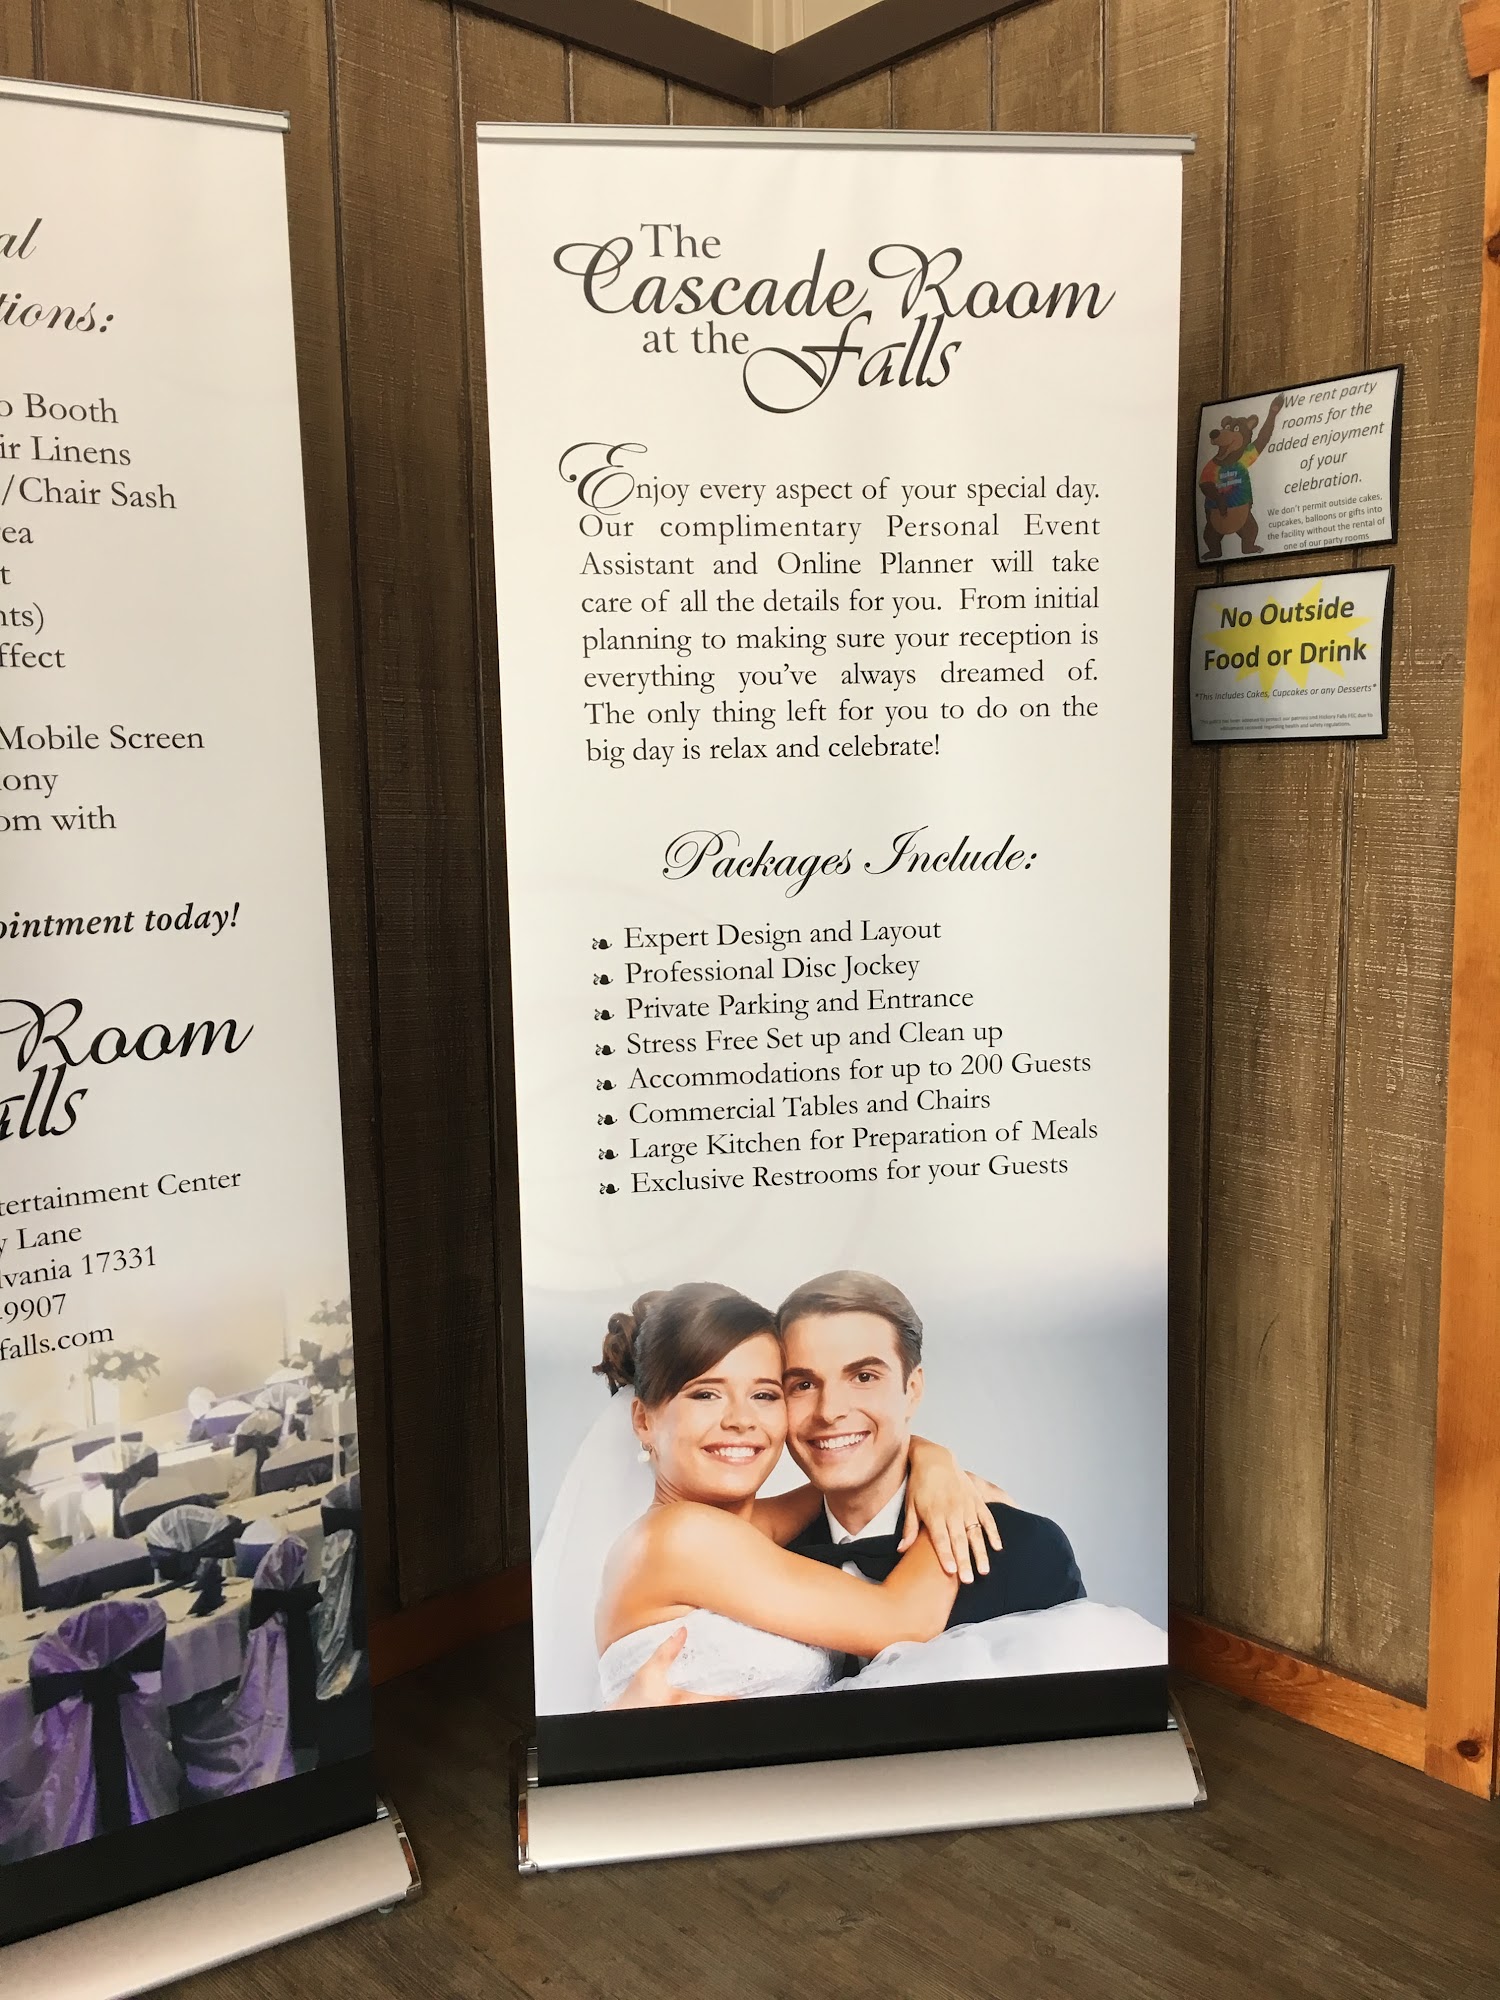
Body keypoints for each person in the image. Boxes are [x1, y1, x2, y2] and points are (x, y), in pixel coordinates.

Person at [593, 1282, 997, 1707]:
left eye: (764, 1394)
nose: (741, 1420)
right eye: (706, 1394)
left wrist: (932, 1461)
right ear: (643, 1420)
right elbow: (902, 1622)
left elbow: (852, 1480)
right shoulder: (678, 1537)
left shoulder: (738, 1529)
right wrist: (960, 1504)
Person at [778, 1271, 1084, 1647]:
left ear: (912, 1390)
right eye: (804, 1385)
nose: (829, 1411)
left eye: (864, 1377)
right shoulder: (760, 1557)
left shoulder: (1022, 1546)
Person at [1199, 393, 1285, 556]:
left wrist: (1272, 414)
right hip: (1216, 511)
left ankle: (1248, 547)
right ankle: (1214, 551)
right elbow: (1205, 484)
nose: (1226, 432)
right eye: (1227, 428)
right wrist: (1218, 498)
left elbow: (1263, 438)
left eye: (1235, 429)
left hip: (1241, 511)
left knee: (1250, 530)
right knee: (1210, 535)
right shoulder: (1213, 465)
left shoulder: (1243, 458)